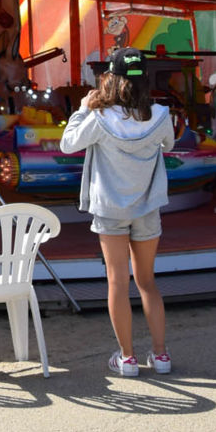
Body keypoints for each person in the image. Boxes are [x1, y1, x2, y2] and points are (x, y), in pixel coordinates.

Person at [60, 47, 178, 377]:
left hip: (111, 208)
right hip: (147, 206)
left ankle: (127, 358)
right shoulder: (160, 115)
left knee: (117, 281)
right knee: (147, 282)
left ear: (109, 79)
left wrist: (82, 109)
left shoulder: (99, 118)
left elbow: (67, 144)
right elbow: (168, 145)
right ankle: (161, 354)